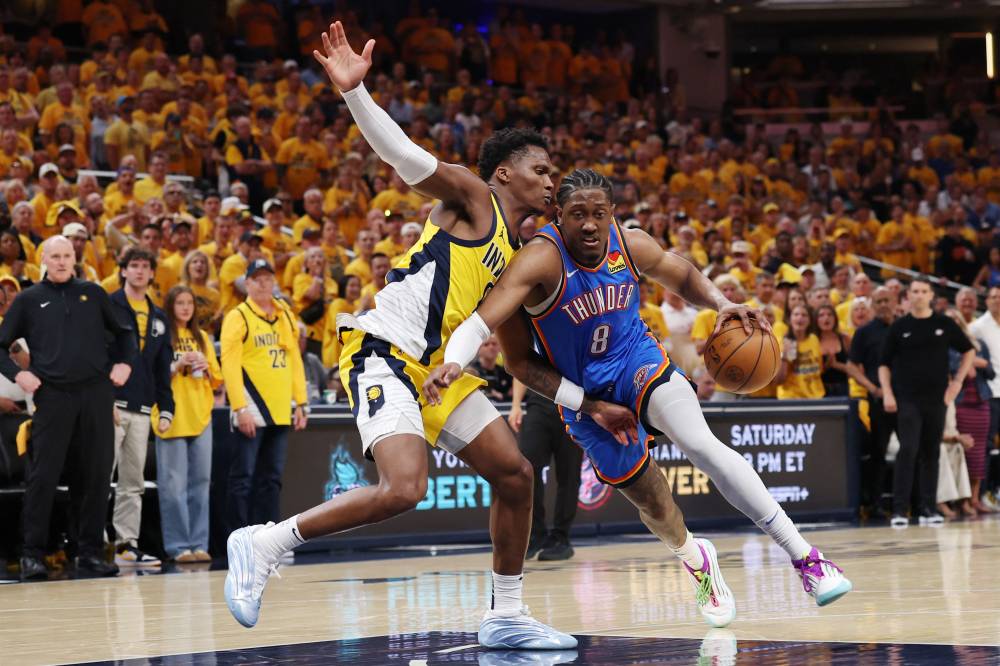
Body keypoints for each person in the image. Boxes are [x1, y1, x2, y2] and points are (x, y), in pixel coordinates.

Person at [224, 23, 600, 650]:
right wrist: (356, 95)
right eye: (541, 169)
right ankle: (266, 542)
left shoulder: (520, 258)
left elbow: (517, 360)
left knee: (514, 474)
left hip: (437, 373)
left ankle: (505, 616)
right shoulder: (474, 198)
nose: (550, 180)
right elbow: (403, 156)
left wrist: (587, 406)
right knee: (404, 489)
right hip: (382, 352)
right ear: (505, 173)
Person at [427, 169, 852, 628]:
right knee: (654, 504)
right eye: (578, 215)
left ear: (612, 213)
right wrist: (458, 360)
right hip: (584, 396)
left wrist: (722, 303)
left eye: (599, 214)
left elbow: (683, 275)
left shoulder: (628, 243)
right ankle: (695, 558)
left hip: (637, 363)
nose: (590, 224)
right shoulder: (537, 262)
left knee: (701, 444)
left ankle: (807, 558)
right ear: (558, 216)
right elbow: (510, 356)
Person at [0, 236, 135, 580]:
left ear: (76, 258)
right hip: (53, 396)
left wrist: (125, 364)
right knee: (43, 477)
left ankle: (88, 552)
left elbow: (126, 335)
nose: (61, 262)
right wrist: (20, 375)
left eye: (67, 256)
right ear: (43, 259)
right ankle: (33, 554)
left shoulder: (93, 293)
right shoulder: (29, 299)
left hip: (96, 395)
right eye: (55, 256)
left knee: (95, 476)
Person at [220, 259, 308, 536]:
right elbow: (230, 364)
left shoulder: (284, 315)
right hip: (251, 407)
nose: (263, 284)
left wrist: (301, 401)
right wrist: (239, 407)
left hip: (281, 406)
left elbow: (294, 358)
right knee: (242, 479)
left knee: (272, 479)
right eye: (257, 279)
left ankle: (269, 538)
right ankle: (239, 537)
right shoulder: (238, 316)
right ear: (246, 283)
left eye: (268, 278)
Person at [879, 279, 975, 528]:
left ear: (931, 295)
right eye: (915, 292)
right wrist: (888, 393)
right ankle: (900, 510)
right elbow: (884, 364)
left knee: (931, 451)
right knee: (908, 449)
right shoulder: (900, 327)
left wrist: (956, 383)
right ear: (908, 296)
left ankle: (928, 508)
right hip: (907, 398)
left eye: (924, 291)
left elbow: (969, 350)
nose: (920, 295)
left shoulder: (943, 323)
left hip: (937, 399)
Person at [109, 247, 175, 567]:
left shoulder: (160, 317)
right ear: (122, 270)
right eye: (133, 265)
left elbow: (162, 367)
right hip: (111, 405)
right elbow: (98, 356)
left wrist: (167, 406)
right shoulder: (108, 306)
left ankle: (126, 544)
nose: (138, 271)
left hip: (143, 408)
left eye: (144, 266)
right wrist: (103, 398)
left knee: (133, 483)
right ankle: (92, 544)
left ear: (151, 273)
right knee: (97, 479)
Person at [155, 285, 222, 562]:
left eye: (189, 303)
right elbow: (152, 376)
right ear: (170, 306)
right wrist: (176, 364)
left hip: (201, 414)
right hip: (170, 416)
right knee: (173, 485)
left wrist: (206, 367)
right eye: (180, 302)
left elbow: (218, 381)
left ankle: (198, 543)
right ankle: (178, 545)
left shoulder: (203, 337)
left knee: (200, 482)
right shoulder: (161, 336)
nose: (185, 308)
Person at [508, 378, 583, 561]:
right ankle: (535, 534)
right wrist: (516, 404)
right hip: (538, 403)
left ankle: (561, 537)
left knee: (569, 475)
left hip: (573, 405)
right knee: (526, 470)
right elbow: (520, 366)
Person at [847, 287, 898, 518]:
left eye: (887, 300)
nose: (884, 304)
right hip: (878, 399)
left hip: (907, 398)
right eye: (879, 301)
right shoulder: (865, 332)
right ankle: (875, 505)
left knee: (911, 451)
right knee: (878, 453)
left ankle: (910, 504)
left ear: (895, 301)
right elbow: (851, 366)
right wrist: (873, 388)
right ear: (873, 305)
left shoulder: (904, 326)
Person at [944, 309, 993, 515]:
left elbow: (990, 372)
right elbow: (954, 369)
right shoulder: (944, 347)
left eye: (956, 320)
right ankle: (959, 499)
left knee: (980, 451)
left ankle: (974, 498)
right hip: (960, 402)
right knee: (963, 450)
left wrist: (975, 360)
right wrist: (972, 361)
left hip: (981, 401)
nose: (954, 323)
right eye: (950, 321)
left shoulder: (978, 344)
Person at [968, 286, 1000, 512]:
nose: (997, 300)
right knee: (987, 445)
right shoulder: (977, 327)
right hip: (991, 391)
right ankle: (986, 491)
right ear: (986, 301)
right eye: (993, 297)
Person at [775, 305, 826, 400]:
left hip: (815, 397)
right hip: (792, 399)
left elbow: (819, 370)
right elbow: (779, 381)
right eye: (796, 314)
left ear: (810, 320)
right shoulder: (785, 342)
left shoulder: (814, 339)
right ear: (790, 319)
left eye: (804, 315)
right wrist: (784, 357)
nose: (800, 318)